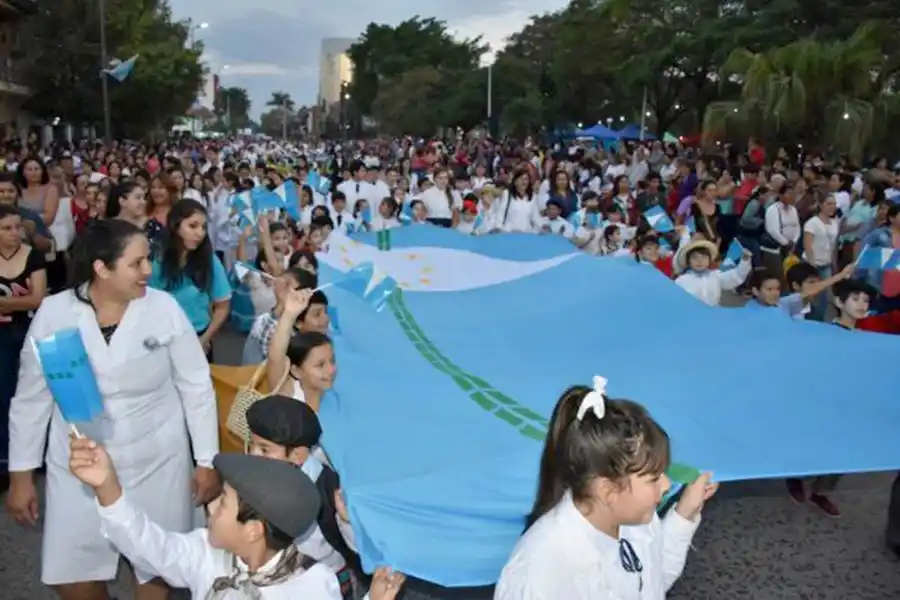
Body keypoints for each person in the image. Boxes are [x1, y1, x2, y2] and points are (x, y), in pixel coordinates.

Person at [5, 219, 220, 600]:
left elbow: (196, 386)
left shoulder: (163, 308)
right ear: (101, 268)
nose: (148, 271)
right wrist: (21, 474)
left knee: (156, 568)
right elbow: (32, 398)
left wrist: (206, 461)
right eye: (137, 263)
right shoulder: (56, 313)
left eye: (148, 260)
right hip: (79, 461)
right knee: (71, 573)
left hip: (157, 460)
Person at [67, 439, 407, 600]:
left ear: (253, 531)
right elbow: (149, 546)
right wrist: (108, 487)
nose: (211, 508)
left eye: (224, 503)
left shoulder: (311, 585)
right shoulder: (204, 551)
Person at [495, 377, 717, 599]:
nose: (667, 484)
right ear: (608, 491)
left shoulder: (632, 519)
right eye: (653, 478)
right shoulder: (544, 570)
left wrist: (683, 515)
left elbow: (650, 582)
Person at [0, 204, 47, 494]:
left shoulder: (34, 256)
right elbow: (29, 297)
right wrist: (20, 301)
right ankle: (6, 461)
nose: (14, 233)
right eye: (6, 228)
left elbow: (37, 298)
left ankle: (36, 456)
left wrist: (6, 304)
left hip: (28, 333)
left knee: (33, 394)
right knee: (4, 397)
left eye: (18, 227)